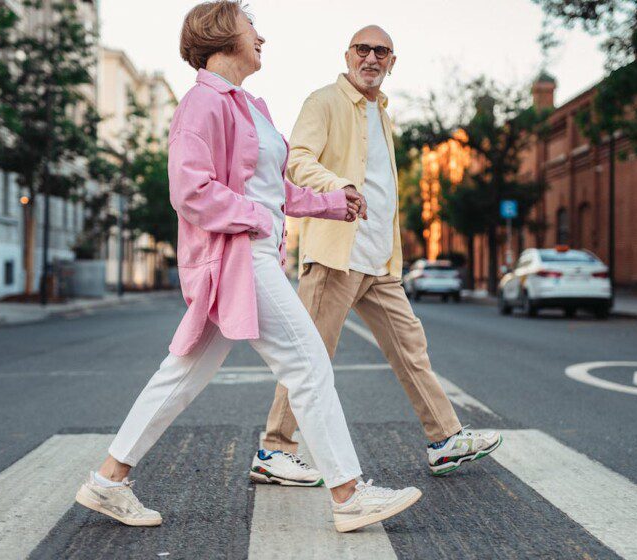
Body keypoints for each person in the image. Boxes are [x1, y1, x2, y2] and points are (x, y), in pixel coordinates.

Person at [74, 1, 421, 533]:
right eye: (252, 25)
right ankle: (349, 495)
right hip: (238, 256)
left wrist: (331, 202)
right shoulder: (201, 103)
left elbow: (271, 188)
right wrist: (256, 217)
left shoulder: (248, 106)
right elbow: (190, 190)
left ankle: (107, 480)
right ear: (222, 34)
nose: (263, 37)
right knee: (308, 365)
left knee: (183, 374)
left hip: (250, 251)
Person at [251, 25, 501, 486]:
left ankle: (445, 439)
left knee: (411, 348)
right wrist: (336, 185)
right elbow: (297, 159)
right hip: (336, 256)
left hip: (379, 260)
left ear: (392, 61)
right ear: (347, 55)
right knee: (310, 356)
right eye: (363, 49)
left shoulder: (382, 113)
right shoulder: (323, 101)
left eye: (381, 51)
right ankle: (274, 450)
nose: (371, 58)